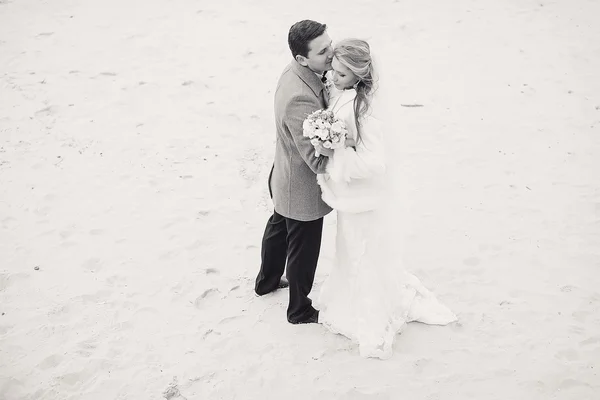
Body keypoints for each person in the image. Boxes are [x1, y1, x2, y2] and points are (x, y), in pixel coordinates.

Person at [315, 39, 458, 359]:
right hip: (350, 198)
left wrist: (335, 152)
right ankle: (346, 297)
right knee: (348, 250)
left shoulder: (366, 112)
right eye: (333, 71)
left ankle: (368, 310)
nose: (332, 78)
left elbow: (374, 163)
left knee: (361, 253)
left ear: (357, 75)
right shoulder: (344, 94)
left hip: (364, 200)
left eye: (339, 74)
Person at [254, 20, 333, 324]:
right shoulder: (300, 96)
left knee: (278, 227)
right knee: (304, 248)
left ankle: (266, 282)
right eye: (323, 51)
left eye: (330, 43)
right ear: (302, 58)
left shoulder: (294, 71)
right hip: (301, 187)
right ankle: (299, 309)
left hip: (283, 173)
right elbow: (315, 160)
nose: (331, 53)